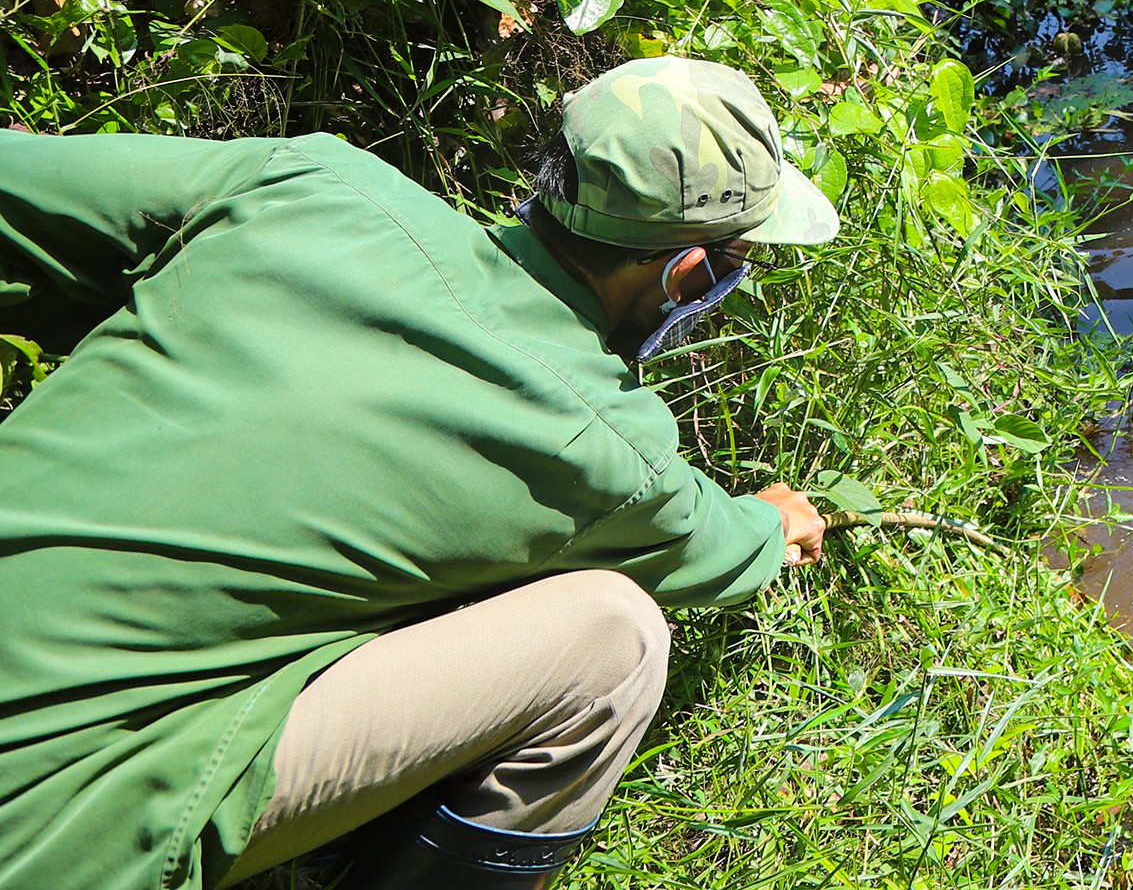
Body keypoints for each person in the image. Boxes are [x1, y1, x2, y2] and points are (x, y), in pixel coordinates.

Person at [0, 56, 840, 890]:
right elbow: (726, 545)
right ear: (686, 272)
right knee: (616, 638)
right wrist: (779, 519)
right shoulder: (613, 450)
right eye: (733, 264)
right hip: (55, 831)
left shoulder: (310, 184)